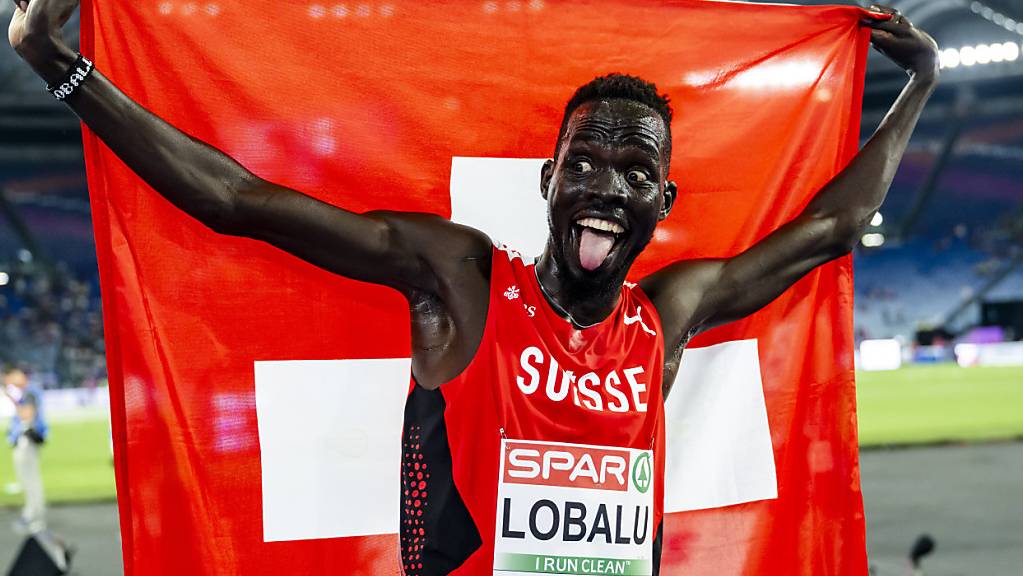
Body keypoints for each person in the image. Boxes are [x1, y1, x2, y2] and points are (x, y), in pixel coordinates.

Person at [8, 1, 939, 573]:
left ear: (664, 199)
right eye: (585, 161)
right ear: (548, 179)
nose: (606, 186)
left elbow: (830, 228)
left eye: (633, 171)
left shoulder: (669, 311)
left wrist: (921, 80)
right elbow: (240, 201)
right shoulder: (459, 276)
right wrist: (66, 69)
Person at [3, 366, 48, 535]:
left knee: (30, 480)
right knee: (28, 480)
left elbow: (26, 416)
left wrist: (13, 400)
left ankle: (35, 518)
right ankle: (31, 515)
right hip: (26, 441)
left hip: (27, 441)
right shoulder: (28, 392)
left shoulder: (29, 393)